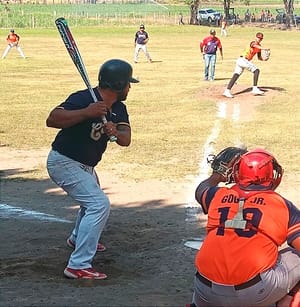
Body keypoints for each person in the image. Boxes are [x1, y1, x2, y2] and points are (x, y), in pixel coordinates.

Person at [46, 59, 139, 280]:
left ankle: (77, 238)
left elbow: (125, 140)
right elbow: (52, 119)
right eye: (128, 83)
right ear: (118, 85)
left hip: (85, 165)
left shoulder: (119, 108)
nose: (130, 87)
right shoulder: (83, 98)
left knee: (92, 202)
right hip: (63, 161)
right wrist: (86, 112)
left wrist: (114, 131)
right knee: (99, 204)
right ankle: (78, 265)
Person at [190, 147, 300, 307]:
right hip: (254, 294)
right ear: (272, 175)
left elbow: (201, 189)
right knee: (294, 253)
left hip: (204, 292)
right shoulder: (282, 205)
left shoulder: (217, 195)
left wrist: (218, 175)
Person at [223, 32, 269, 98]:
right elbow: (254, 45)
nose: (259, 39)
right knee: (256, 70)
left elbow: (259, 58)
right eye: (258, 38)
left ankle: (227, 91)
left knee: (236, 75)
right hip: (243, 60)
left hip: (242, 61)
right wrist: (264, 48)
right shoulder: (253, 43)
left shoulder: (259, 47)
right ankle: (255, 88)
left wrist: (264, 59)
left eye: (260, 38)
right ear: (256, 37)